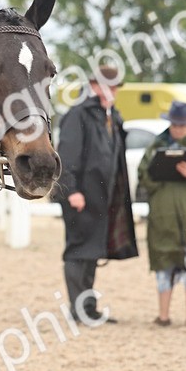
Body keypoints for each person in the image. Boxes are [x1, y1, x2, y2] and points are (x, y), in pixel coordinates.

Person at [56, 66, 137, 322]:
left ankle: (88, 308)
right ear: (93, 85)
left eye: (114, 87)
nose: (112, 91)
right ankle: (78, 311)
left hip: (103, 197)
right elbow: (66, 157)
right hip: (80, 197)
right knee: (78, 251)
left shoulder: (110, 115)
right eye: (108, 86)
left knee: (92, 252)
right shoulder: (78, 114)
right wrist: (72, 191)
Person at [137, 101, 186, 327]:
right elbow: (143, 176)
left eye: (182, 125)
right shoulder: (157, 145)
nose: (177, 129)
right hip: (163, 216)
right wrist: (159, 171)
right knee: (164, 263)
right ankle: (163, 315)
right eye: (174, 124)